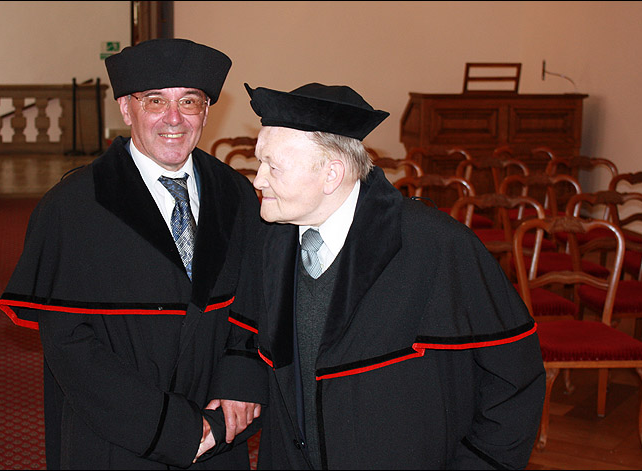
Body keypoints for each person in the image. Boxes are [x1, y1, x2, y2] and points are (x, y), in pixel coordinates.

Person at [231, 82, 546, 469]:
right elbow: (245, 341)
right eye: (259, 162)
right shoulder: (270, 241)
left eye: (273, 167)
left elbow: (515, 377)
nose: (258, 180)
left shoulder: (436, 245)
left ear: (332, 174)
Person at [0, 38, 267, 469]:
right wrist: (170, 428)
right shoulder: (72, 207)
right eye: (155, 101)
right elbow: (72, 348)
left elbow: (259, 302)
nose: (174, 119)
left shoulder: (236, 194)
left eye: (190, 102)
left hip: (216, 432)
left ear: (206, 111)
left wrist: (240, 383)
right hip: (117, 439)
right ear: (126, 108)